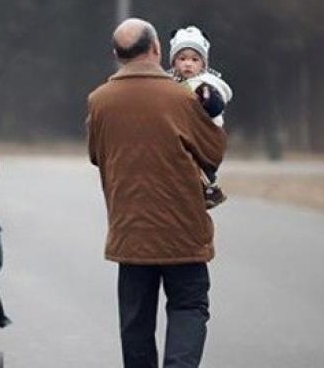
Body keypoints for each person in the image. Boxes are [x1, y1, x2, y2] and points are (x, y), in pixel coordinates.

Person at [86, 18, 227, 368]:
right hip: (184, 230)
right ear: (156, 50)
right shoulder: (182, 98)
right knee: (188, 306)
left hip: (131, 231)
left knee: (136, 322)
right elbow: (213, 152)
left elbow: (95, 154)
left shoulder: (100, 101)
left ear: (117, 55)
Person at [168, 25, 233, 208]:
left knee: (199, 161)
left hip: (202, 131)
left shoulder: (207, 85)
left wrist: (206, 98)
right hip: (180, 130)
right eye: (182, 59)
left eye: (194, 59)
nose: (188, 64)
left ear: (203, 64)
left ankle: (209, 188)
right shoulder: (169, 83)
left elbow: (217, 107)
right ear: (173, 62)